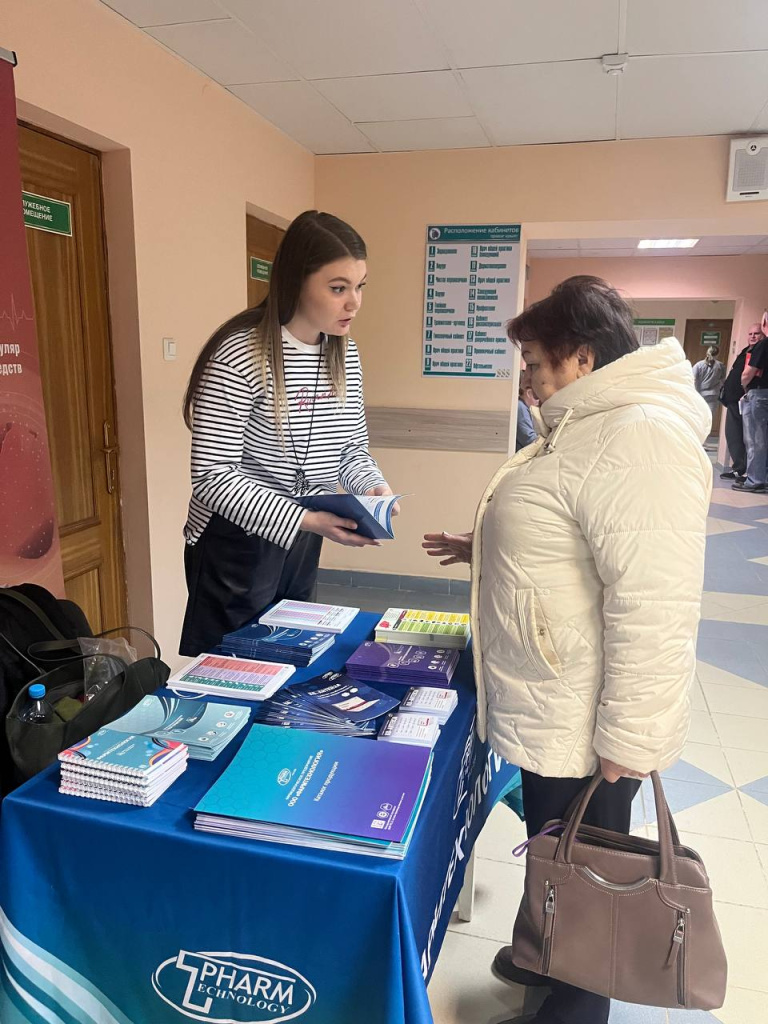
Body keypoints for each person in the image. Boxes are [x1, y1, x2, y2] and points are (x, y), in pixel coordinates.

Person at [424, 276, 711, 1024]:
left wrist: (630, 739)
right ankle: (544, 951)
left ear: (582, 358)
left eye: (534, 362)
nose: (526, 378)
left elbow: (655, 602)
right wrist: (483, 545)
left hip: (589, 722)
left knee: (589, 868)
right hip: (553, 700)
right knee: (555, 842)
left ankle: (574, 1001)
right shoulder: (588, 423)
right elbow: (570, 531)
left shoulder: (637, 433)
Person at [180, 210, 395, 656]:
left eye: (360, 286)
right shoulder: (241, 352)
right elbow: (213, 475)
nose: (354, 302)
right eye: (338, 288)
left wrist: (372, 486)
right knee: (233, 668)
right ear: (296, 281)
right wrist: (305, 520)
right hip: (235, 539)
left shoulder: (343, 351)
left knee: (290, 653)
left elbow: (350, 447)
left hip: (302, 530)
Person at [720, 323, 764, 481]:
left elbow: (752, 375)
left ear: (763, 334)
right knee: (733, 435)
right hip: (733, 400)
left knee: (749, 437)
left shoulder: (761, 351)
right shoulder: (747, 350)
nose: (753, 336)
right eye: (750, 333)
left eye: (757, 333)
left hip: (746, 400)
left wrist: (745, 391)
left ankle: (747, 472)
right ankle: (739, 468)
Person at [733, 313, 768, 493]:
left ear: (764, 324)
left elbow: (748, 374)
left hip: (760, 395)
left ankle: (755, 480)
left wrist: (743, 387)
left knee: (756, 439)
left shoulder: (763, 345)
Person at [692, 344, 726, 431]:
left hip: (699, 395)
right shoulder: (720, 366)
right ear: (717, 354)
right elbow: (723, 381)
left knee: (697, 418)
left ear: (707, 352)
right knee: (708, 419)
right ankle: (705, 439)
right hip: (713, 395)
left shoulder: (698, 365)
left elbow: (693, 380)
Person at [516, 382, 538, 451]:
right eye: (536, 396)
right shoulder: (521, 408)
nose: (539, 401)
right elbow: (529, 439)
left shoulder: (523, 406)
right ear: (529, 393)